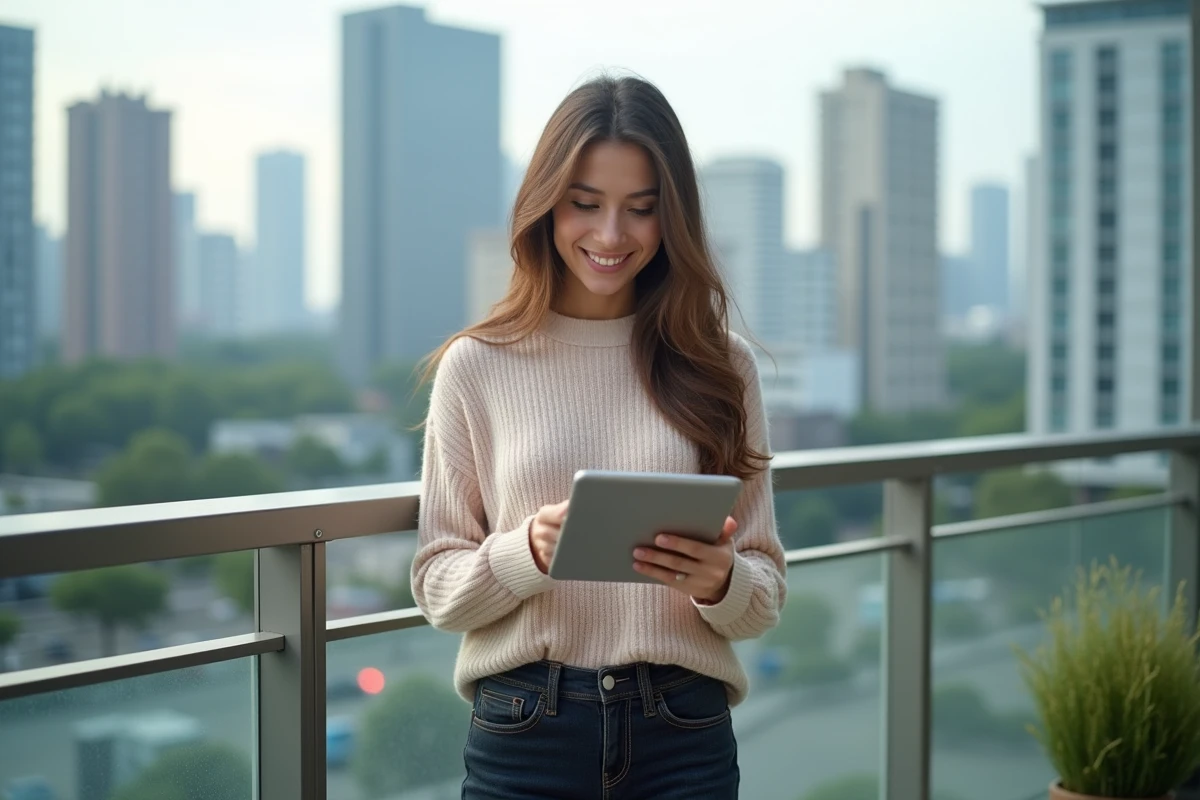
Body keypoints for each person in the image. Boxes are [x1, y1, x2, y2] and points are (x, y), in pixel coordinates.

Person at [411, 73, 787, 800]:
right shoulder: (477, 365)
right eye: (585, 204)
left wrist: (721, 582)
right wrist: (527, 552)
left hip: (683, 730)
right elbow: (437, 588)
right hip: (525, 729)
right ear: (546, 205)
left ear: (671, 218)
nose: (611, 236)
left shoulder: (723, 366)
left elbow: (765, 594)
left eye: (640, 210)